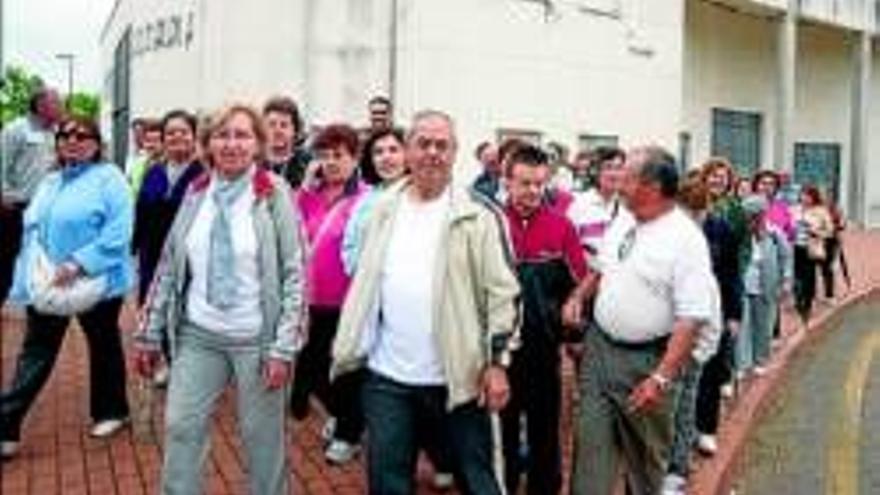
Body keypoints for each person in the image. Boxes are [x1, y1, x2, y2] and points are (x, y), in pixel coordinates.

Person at [332, 110, 519, 495]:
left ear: (455, 152)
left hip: (461, 380)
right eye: (423, 143)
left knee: (478, 480)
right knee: (387, 482)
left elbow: (504, 295)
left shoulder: (480, 215)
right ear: (408, 151)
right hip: (387, 378)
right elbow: (366, 281)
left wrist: (497, 363)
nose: (433, 153)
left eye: (442, 145)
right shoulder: (381, 208)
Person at [132, 104, 306, 494]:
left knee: (263, 443)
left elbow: (297, 272)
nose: (231, 144)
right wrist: (148, 332)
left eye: (242, 135)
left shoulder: (274, 193)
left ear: (258, 144)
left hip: (257, 340)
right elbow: (169, 266)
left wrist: (284, 347)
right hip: (199, 335)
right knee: (180, 428)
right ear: (207, 144)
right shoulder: (196, 193)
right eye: (222, 135)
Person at [564, 146, 716, 495]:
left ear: (652, 186)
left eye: (627, 177)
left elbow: (691, 319)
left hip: (648, 365)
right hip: (600, 353)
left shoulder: (686, 240)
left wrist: (660, 378)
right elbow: (600, 267)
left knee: (645, 467)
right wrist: (578, 296)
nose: (618, 183)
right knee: (590, 458)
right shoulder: (624, 218)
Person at [1, 116, 132, 460]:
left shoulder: (110, 178)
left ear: (96, 143)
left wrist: (79, 262)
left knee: (103, 344)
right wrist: (28, 272)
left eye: (82, 135)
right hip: (47, 282)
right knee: (36, 352)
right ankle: (6, 426)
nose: (72, 140)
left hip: (97, 281)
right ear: (57, 142)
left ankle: (112, 411)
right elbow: (32, 229)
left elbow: (120, 230)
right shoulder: (50, 181)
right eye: (65, 135)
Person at [500, 144, 587, 495]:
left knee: (545, 431)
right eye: (524, 183)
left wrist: (572, 326)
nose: (533, 191)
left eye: (539, 184)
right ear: (507, 181)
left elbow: (579, 284)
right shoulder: (489, 223)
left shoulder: (561, 226)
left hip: (542, 350)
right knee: (500, 430)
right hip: (498, 353)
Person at [290, 123, 368, 464]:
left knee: (346, 370)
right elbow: (292, 229)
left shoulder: (366, 198)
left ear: (355, 158)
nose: (331, 162)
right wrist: (304, 190)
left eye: (339, 155)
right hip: (312, 299)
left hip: (348, 302)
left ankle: (349, 434)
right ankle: (341, 414)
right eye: (324, 155)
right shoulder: (312, 195)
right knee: (312, 366)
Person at [663, 176, 727, 495]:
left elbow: (709, 310)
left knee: (683, 410)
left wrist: (700, 352)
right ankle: (669, 468)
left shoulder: (695, 249)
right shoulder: (673, 241)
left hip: (688, 351)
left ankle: (676, 470)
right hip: (666, 347)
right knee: (671, 412)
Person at [1, 87, 63, 305]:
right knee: (7, 256)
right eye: (57, 102)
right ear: (41, 106)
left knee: (40, 256)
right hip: (15, 208)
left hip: (44, 208)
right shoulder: (15, 129)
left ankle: (35, 299)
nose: (62, 107)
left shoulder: (56, 133)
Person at [734, 195, 792, 378]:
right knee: (743, 326)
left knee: (764, 325)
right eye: (749, 214)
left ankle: (760, 360)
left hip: (766, 285)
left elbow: (786, 256)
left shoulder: (774, 233)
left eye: (756, 214)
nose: (752, 218)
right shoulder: (740, 234)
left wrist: (786, 280)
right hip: (742, 285)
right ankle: (743, 363)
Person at [566, 146, 627, 256]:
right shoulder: (579, 205)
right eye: (608, 167)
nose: (614, 174)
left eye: (619, 168)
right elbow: (567, 245)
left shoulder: (628, 207)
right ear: (596, 171)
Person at [791, 185, 834, 323]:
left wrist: (817, 232)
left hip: (811, 247)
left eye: (808, 195)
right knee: (796, 275)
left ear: (814, 197)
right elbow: (787, 225)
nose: (805, 198)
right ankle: (798, 299)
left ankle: (807, 304)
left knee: (809, 275)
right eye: (803, 195)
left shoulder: (821, 211)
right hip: (794, 247)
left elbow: (830, 230)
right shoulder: (794, 209)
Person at [262, 96, 312, 188]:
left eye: (284, 125)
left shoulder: (307, 163)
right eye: (272, 124)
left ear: (295, 130)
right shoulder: (253, 163)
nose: (278, 130)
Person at [126, 118, 164, 197]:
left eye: (155, 141)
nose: (151, 145)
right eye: (148, 140)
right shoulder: (138, 165)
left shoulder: (167, 167)